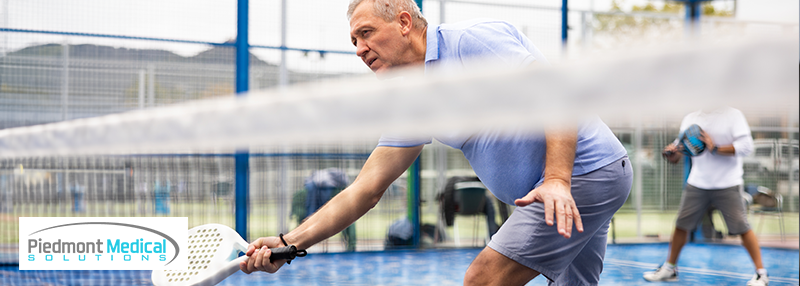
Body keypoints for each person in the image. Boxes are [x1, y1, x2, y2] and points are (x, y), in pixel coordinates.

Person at [240, 1, 633, 285]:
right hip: (570, 185)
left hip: (583, 176)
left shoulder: (472, 42)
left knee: (483, 279)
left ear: (405, 22)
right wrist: (288, 243)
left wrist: (558, 180)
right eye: (354, 41)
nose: (359, 49)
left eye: (366, 33)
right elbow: (365, 190)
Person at [644, 106, 768, 286]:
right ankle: (669, 269)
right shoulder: (690, 118)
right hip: (697, 183)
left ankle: (761, 274)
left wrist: (715, 147)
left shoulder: (733, 115)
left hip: (728, 183)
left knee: (742, 227)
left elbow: (747, 146)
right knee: (681, 225)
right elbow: (681, 150)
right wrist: (672, 153)